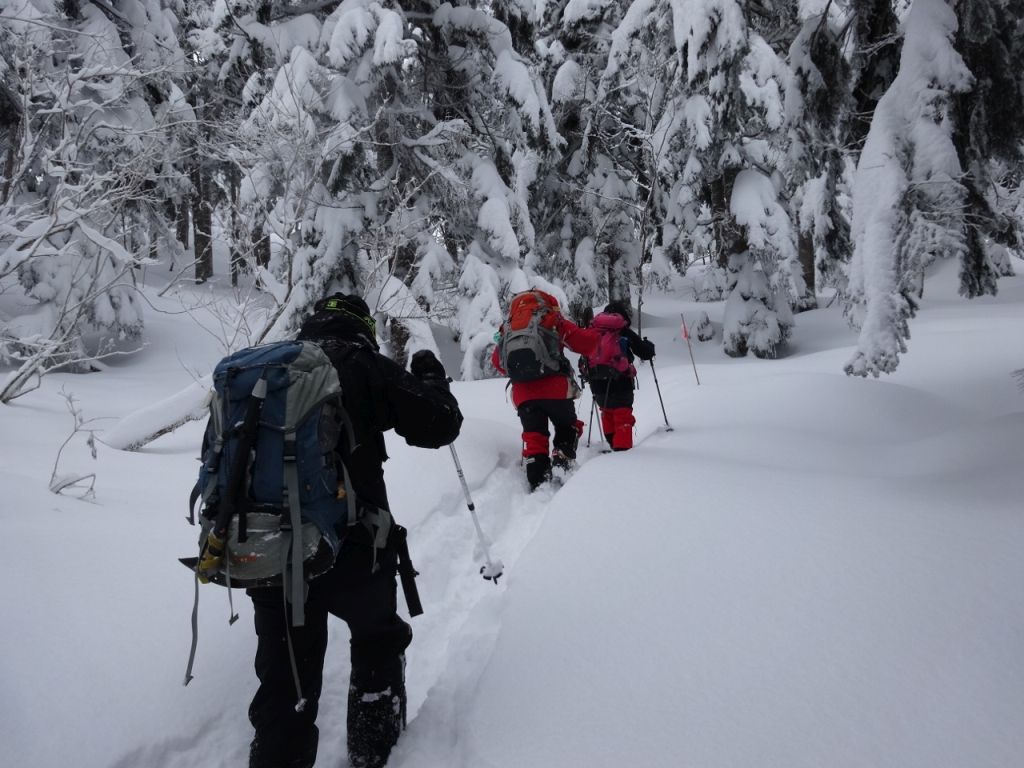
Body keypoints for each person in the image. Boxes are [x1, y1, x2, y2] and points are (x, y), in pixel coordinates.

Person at [246, 294, 463, 768]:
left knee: (284, 684)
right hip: (355, 548)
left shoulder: (266, 369)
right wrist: (429, 375)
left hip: (272, 550)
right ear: (362, 326)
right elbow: (439, 424)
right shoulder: (364, 364)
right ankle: (372, 756)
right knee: (376, 644)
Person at [490, 290, 601, 490]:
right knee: (567, 426)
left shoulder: (509, 327)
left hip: (523, 395)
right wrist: (594, 331)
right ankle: (562, 461)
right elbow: (588, 344)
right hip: (555, 390)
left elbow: (498, 362)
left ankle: (536, 476)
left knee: (534, 434)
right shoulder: (551, 319)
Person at [580, 301, 655, 451]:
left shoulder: (593, 330)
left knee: (607, 412)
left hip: (598, 384)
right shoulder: (623, 331)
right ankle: (622, 454)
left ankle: (613, 446)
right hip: (621, 382)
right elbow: (645, 353)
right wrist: (650, 346)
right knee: (622, 416)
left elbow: (583, 358)